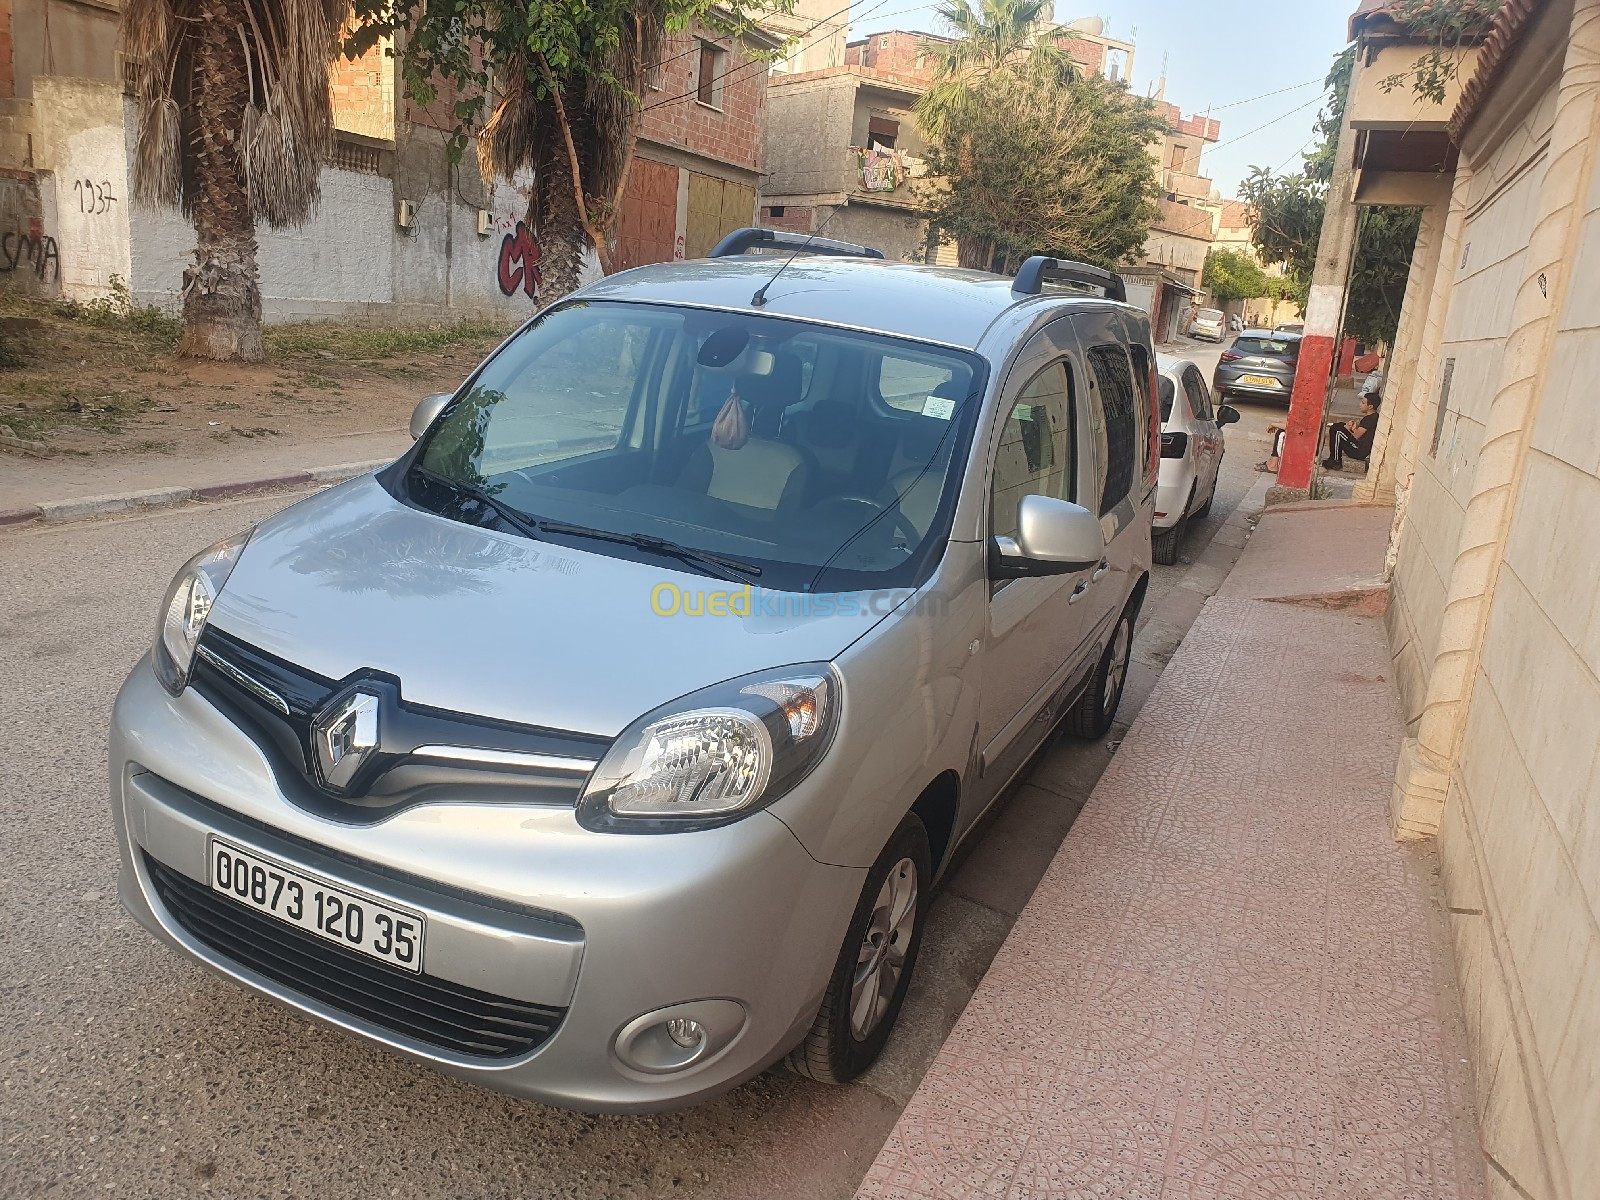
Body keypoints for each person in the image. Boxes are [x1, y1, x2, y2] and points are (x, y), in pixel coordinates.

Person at [1323, 392, 1381, 470]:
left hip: (1359, 451)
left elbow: (1356, 436)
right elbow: (1360, 434)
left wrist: (1348, 429)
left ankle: (1335, 461)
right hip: (1359, 446)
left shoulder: (1370, 419)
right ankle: (1333, 458)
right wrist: (1352, 428)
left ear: (1370, 406)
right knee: (1338, 426)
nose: (1360, 404)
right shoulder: (1373, 417)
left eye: (1363, 403)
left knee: (1337, 431)